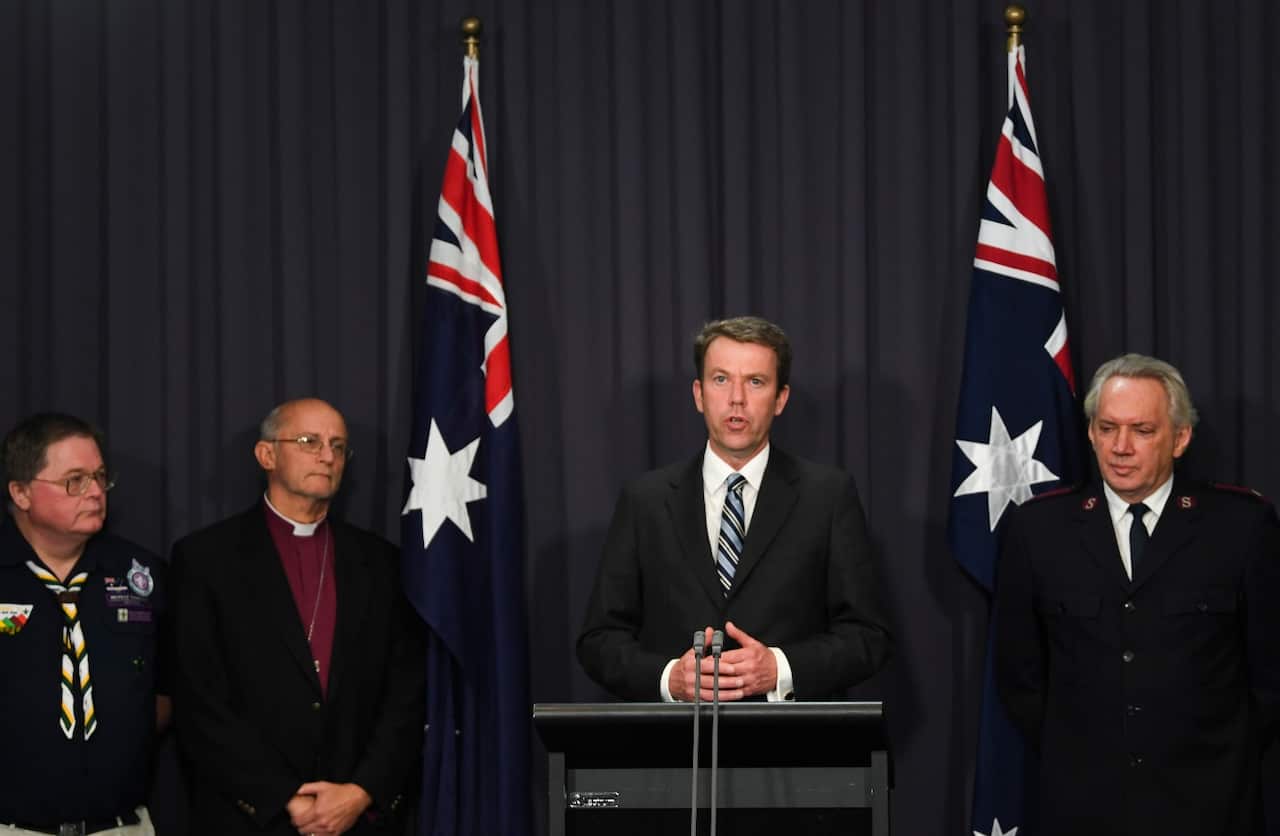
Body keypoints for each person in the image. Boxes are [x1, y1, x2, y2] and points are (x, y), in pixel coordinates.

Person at [996, 353, 1280, 835]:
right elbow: (1020, 674)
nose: (1120, 447)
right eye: (1107, 428)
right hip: (1082, 805)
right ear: (1090, 433)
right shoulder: (1037, 529)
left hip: (1210, 804)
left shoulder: (1241, 527)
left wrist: (1218, 758)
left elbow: (1270, 673)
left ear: (1180, 438)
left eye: (1142, 431)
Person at [577, 316, 891, 702]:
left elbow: (867, 637)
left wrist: (779, 668)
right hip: (676, 751)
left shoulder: (827, 496)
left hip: (793, 751)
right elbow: (599, 640)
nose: (736, 398)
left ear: (780, 399)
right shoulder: (645, 500)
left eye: (755, 382)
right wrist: (669, 679)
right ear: (699, 394)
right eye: (721, 379)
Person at [170, 398, 425, 835]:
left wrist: (361, 791)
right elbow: (199, 700)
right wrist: (281, 798)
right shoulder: (206, 559)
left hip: (356, 818)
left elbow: (406, 691)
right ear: (266, 454)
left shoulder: (381, 563)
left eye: (338, 446)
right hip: (249, 818)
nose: (328, 456)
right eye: (309, 442)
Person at [0, 413, 168, 835]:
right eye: (74, 480)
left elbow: (167, 691)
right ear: (21, 492)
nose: (95, 492)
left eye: (99, 477)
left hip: (120, 824)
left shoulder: (140, 572)